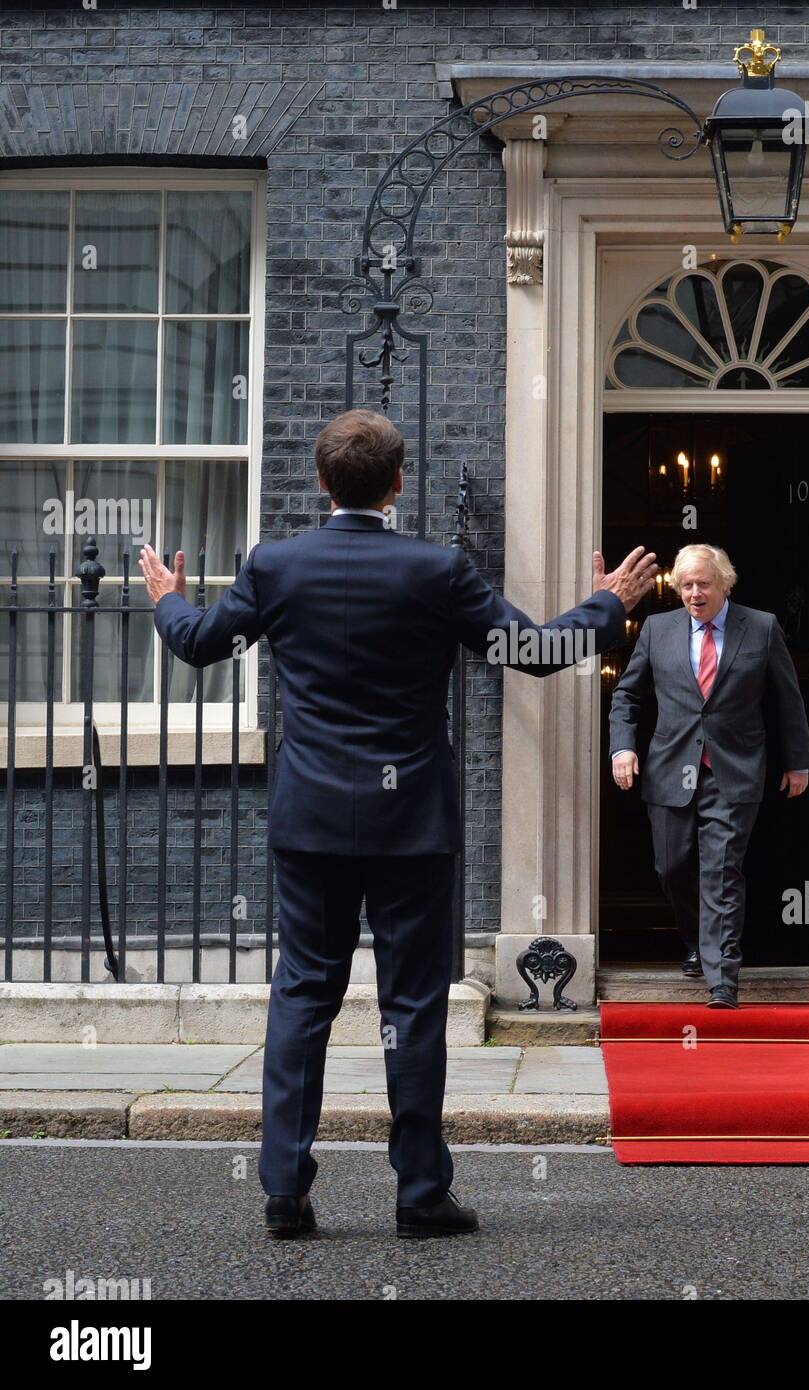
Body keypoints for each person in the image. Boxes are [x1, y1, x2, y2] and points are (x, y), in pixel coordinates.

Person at [139, 408, 658, 1239]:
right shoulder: (435, 568)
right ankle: (419, 1195)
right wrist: (603, 605)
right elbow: (530, 651)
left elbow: (200, 643)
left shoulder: (277, 565)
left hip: (310, 820)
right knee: (412, 1005)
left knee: (302, 995)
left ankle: (284, 1190)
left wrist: (168, 597)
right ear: (398, 482)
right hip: (411, 821)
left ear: (321, 481)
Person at [609, 543, 809, 1008]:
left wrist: (797, 761)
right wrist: (623, 747)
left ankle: (723, 979)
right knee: (673, 867)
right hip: (669, 769)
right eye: (685, 585)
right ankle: (698, 943)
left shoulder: (760, 627)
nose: (694, 593)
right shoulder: (656, 630)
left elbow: (787, 698)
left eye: (703, 584)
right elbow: (627, 696)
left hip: (733, 771)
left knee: (722, 870)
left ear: (725, 583)